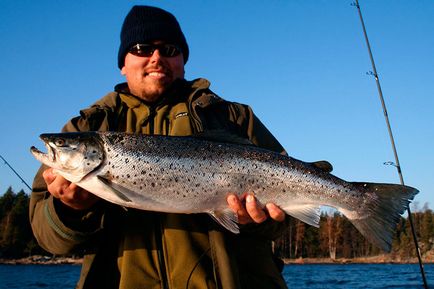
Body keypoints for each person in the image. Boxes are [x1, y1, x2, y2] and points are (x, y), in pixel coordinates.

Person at [30, 5, 291, 289]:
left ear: (182, 60)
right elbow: (49, 239)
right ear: (123, 62)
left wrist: (256, 221)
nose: (156, 57)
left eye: (169, 49)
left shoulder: (235, 118)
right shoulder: (85, 128)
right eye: (142, 48)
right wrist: (70, 210)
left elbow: (283, 217)